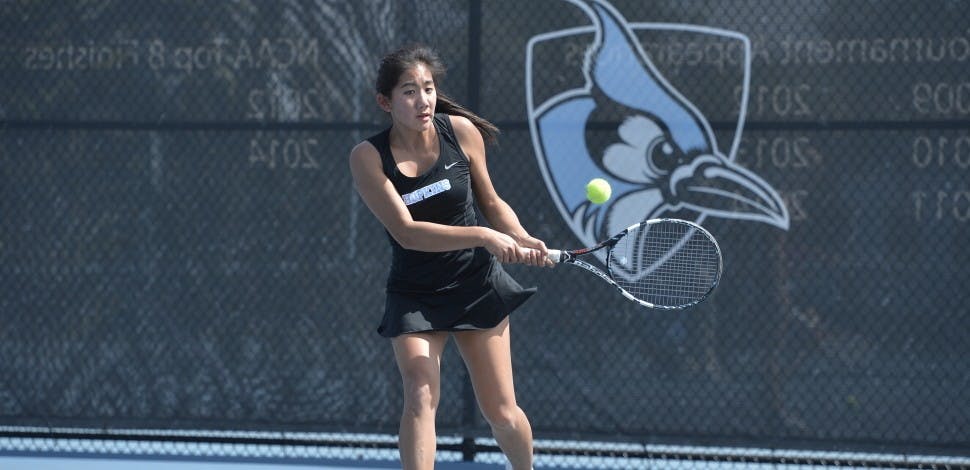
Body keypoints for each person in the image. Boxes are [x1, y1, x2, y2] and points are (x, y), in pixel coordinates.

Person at [348, 44, 550, 470]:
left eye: (428, 88)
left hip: (475, 285)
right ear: (385, 102)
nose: (422, 100)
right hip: (415, 291)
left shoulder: (460, 132)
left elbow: (491, 202)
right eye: (408, 91)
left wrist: (520, 236)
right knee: (420, 393)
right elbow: (406, 233)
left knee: (502, 412)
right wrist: (483, 235)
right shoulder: (368, 158)